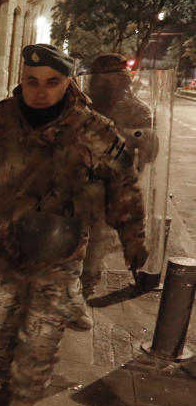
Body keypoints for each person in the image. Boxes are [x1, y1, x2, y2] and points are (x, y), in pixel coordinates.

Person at [0, 43, 147, 406]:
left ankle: (22, 403)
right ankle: (7, 383)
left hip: (61, 254)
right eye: (31, 81)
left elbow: (125, 183)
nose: (40, 91)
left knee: (40, 334)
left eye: (52, 82)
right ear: (22, 78)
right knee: (4, 327)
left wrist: (133, 238)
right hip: (6, 248)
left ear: (68, 81)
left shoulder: (94, 128)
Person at [80, 53, 155, 302]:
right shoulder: (83, 106)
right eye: (105, 78)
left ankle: (87, 285)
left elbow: (147, 153)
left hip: (112, 186)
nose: (110, 83)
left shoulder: (137, 110)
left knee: (98, 240)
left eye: (115, 78)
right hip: (80, 183)